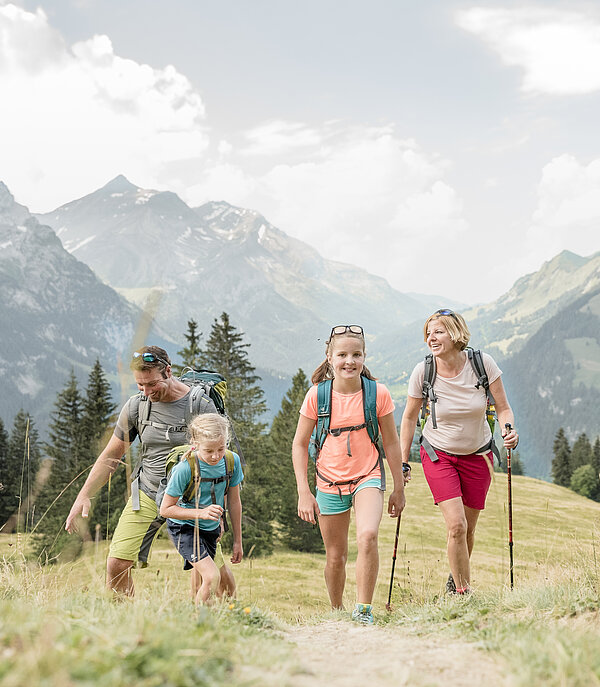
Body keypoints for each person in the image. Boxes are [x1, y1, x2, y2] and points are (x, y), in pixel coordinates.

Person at [65, 345, 223, 597]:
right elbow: (111, 456)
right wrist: (83, 495)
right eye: (140, 385)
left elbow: (218, 459)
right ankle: (126, 624)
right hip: (148, 493)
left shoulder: (200, 405)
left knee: (212, 573)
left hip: (192, 499)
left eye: (151, 384)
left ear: (168, 371)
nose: (147, 392)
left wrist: (218, 510)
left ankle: (223, 623)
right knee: (116, 564)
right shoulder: (136, 407)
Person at [292, 324, 406, 624]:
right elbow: (300, 444)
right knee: (335, 556)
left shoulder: (377, 393)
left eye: (356, 354)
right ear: (329, 358)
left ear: (365, 356)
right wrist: (304, 492)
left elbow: (391, 443)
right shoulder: (317, 395)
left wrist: (398, 487)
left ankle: (364, 610)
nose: (349, 361)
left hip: (368, 476)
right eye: (342, 354)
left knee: (368, 536)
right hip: (328, 482)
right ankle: (337, 611)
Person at [399, 309, 519, 594]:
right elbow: (407, 418)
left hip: (478, 456)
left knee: (469, 529)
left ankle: (455, 580)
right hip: (438, 454)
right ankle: (463, 594)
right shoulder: (423, 371)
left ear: (455, 334)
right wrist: (403, 462)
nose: (431, 338)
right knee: (456, 525)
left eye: (438, 331)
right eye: (428, 333)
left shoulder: (482, 364)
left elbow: (502, 407)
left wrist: (508, 429)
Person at [159, 413, 243, 605]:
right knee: (212, 577)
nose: (215, 456)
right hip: (184, 527)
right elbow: (166, 509)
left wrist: (238, 540)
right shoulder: (185, 469)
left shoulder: (231, 461)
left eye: (221, 449)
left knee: (202, 581)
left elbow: (234, 501)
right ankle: (198, 622)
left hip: (210, 528)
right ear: (195, 444)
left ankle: (199, 620)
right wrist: (201, 513)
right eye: (209, 450)